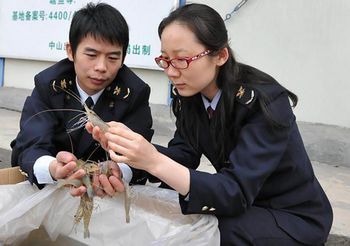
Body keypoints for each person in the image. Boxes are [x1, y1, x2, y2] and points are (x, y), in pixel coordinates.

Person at [88, 3, 333, 245]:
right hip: (244, 206)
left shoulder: (262, 102)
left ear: (221, 55)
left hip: (291, 217)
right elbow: (184, 154)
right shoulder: (191, 95)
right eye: (165, 59)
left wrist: (153, 160)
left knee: (203, 231)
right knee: (159, 212)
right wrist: (130, 155)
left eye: (182, 59)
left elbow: (235, 190)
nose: (171, 72)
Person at [10, 2, 154, 196]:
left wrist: (120, 171)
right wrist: (53, 168)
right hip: (53, 190)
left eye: (112, 58)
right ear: (71, 51)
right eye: (91, 55)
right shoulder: (49, 86)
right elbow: (29, 145)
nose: (101, 67)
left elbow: (141, 156)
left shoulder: (133, 93)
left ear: (123, 58)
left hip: (109, 196)